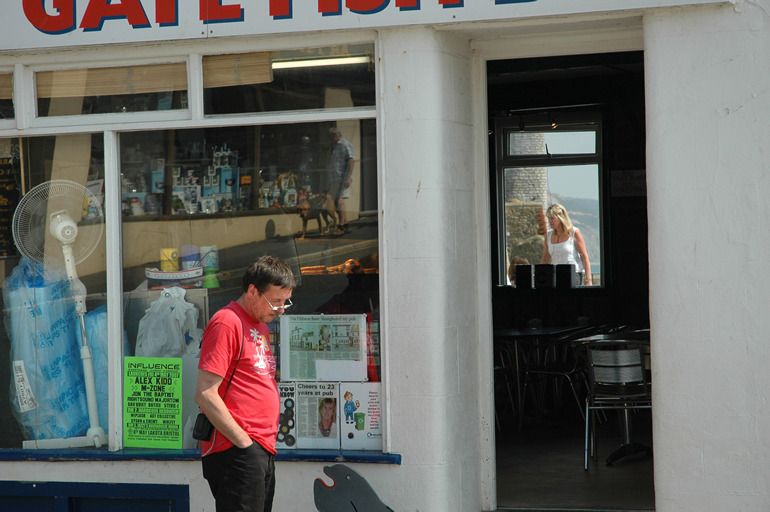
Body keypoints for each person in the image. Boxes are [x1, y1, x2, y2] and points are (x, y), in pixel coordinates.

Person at [195, 255, 296, 512]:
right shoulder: (227, 322)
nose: (281, 309)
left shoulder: (260, 324)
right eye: (276, 301)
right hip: (237, 449)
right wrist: (244, 443)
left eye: (285, 302)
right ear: (253, 291)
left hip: (260, 448)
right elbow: (205, 393)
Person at [540, 203, 593, 286]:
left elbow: (584, 256)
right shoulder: (548, 235)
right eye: (548, 218)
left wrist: (588, 279)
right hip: (555, 275)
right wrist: (540, 275)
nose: (549, 221)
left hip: (573, 275)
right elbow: (545, 257)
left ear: (561, 218)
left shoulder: (574, 233)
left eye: (552, 218)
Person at [328, 127, 355, 234]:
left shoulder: (345, 144)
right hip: (337, 178)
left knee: (340, 201)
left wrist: (348, 177)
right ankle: (346, 224)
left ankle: (341, 226)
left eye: (331, 137)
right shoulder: (337, 146)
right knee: (338, 201)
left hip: (343, 178)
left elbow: (351, 160)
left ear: (335, 136)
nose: (330, 140)